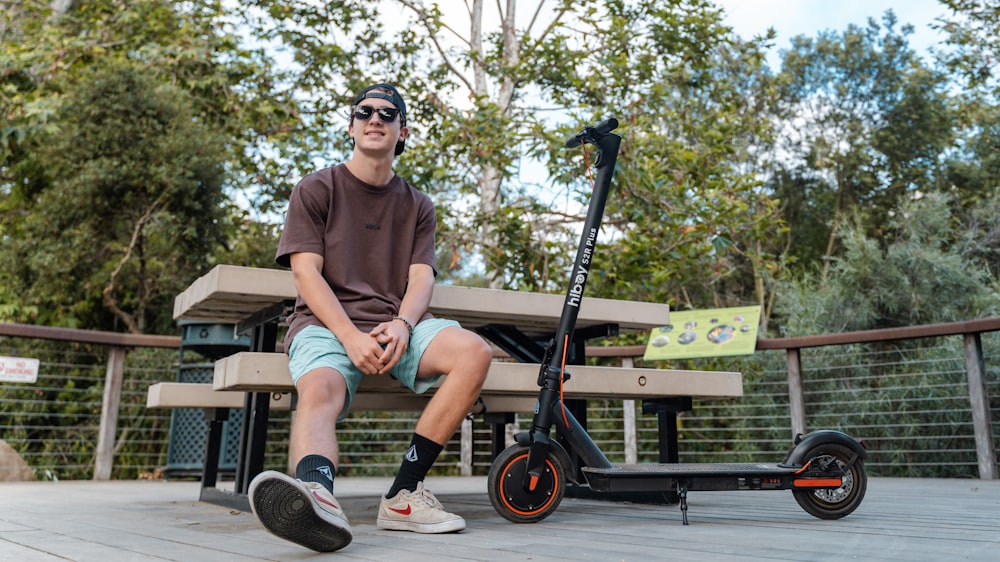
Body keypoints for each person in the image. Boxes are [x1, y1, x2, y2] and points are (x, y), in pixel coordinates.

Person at [248, 83, 492, 553]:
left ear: (403, 131)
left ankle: (403, 496)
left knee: (473, 352)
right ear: (351, 126)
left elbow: (421, 278)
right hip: (324, 326)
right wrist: (348, 336)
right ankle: (316, 498)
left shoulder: (418, 205)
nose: (374, 118)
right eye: (363, 111)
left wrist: (402, 323)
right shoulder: (316, 188)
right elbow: (306, 273)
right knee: (318, 389)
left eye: (387, 112)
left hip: (394, 326)